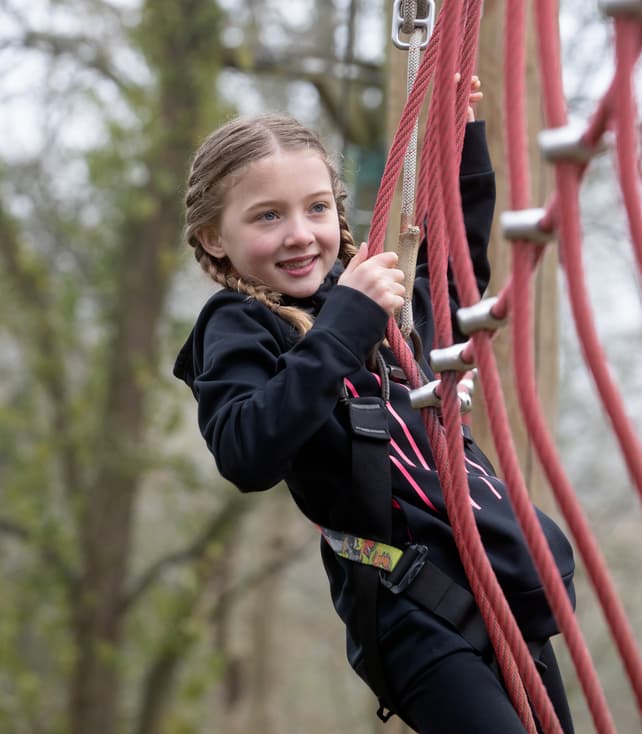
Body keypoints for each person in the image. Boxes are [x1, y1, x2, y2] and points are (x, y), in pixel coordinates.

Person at [173, 80, 576, 733]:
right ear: (214, 238)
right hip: (408, 608)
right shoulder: (241, 322)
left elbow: (448, 287)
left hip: (491, 579)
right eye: (267, 216)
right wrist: (348, 323)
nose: (301, 235)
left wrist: (457, 146)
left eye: (316, 209)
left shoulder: (358, 300)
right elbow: (246, 449)